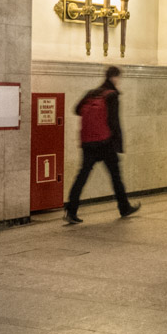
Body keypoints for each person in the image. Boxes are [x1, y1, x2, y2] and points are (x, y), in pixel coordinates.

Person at [65, 66, 138, 224]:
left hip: (88, 142)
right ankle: (124, 207)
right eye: (118, 78)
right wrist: (118, 144)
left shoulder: (91, 93)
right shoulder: (111, 95)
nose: (119, 81)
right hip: (105, 143)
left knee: (82, 175)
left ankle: (71, 210)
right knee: (115, 176)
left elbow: (76, 110)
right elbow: (114, 121)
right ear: (114, 77)